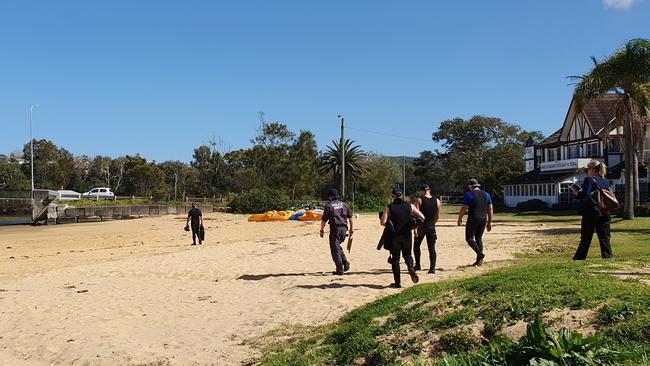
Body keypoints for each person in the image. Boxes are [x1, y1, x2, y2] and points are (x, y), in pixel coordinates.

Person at [380, 187, 425, 288]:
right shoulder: (410, 206)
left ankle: (397, 282)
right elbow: (422, 217)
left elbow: (382, 222)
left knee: (395, 259)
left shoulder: (389, 207)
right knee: (408, 254)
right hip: (407, 235)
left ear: (393, 196)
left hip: (394, 237)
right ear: (402, 195)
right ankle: (411, 269)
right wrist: (414, 226)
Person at [572, 160, 613, 260]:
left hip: (592, 211)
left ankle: (579, 258)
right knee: (604, 237)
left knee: (586, 236)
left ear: (592, 169)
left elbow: (584, 195)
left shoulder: (589, 180)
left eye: (587, 169)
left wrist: (577, 193)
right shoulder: (605, 180)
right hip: (605, 211)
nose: (587, 171)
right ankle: (607, 257)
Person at [457, 179, 493, 266]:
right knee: (478, 238)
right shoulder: (486, 194)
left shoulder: (469, 194)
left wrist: (460, 218)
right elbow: (490, 208)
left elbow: (464, 208)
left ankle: (479, 254)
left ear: (470, 186)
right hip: (483, 218)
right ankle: (479, 261)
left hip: (473, 218)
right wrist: (490, 221)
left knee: (469, 238)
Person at [320, 188, 354, 275]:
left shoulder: (329, 206)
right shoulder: (344, 204)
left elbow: (324, 220)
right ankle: (345, 262)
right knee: (337, 246)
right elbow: (350, 218)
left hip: (335, 229)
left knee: (335, 249)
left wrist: (322, 230)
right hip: (344, 228)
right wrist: (351, 230)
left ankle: (340, 269)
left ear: (330, 197)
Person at [413, 184, 441, 274]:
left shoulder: (419, 200)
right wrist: (433, 224)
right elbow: (437, 216)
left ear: (422, 191)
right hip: (431, 226)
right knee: (432, 248)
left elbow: (417, 216)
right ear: (430, 190)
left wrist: (415, 228)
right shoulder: (437, 201)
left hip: (421, 226)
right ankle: (432, 268)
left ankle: (417, 265)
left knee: (417, 246)